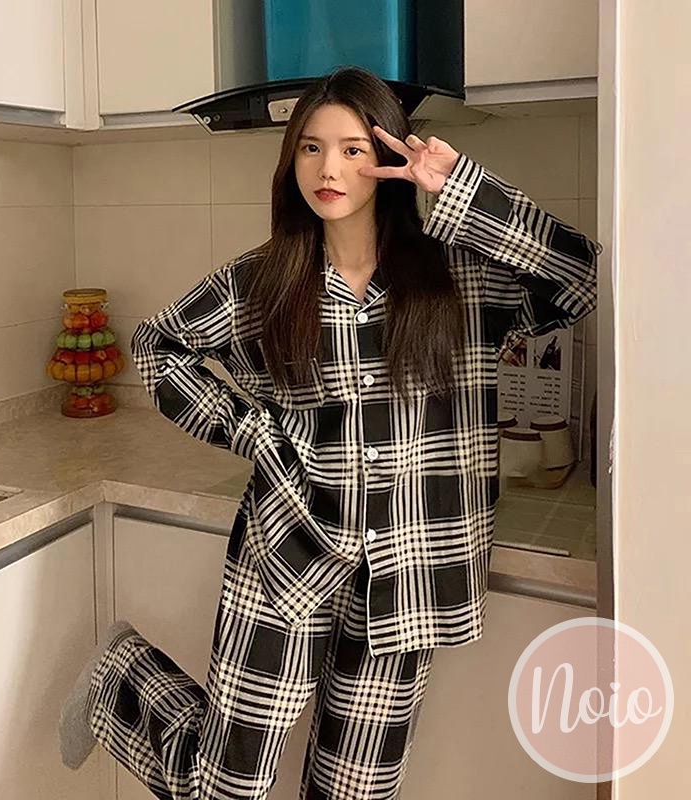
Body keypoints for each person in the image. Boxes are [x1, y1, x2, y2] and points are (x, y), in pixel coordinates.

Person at [58, 65, 602, 799]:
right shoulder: (265, 281)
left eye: (352, 149)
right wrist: (254, 433)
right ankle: (123, 681)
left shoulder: (460, 278)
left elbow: (581, 279)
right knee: (225, 787)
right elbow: (160, 348)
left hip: (410, 572)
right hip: (288, 554)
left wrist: (461, 188)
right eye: (311, 148)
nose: (328, 169)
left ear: (387, 157)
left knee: (353, 791)